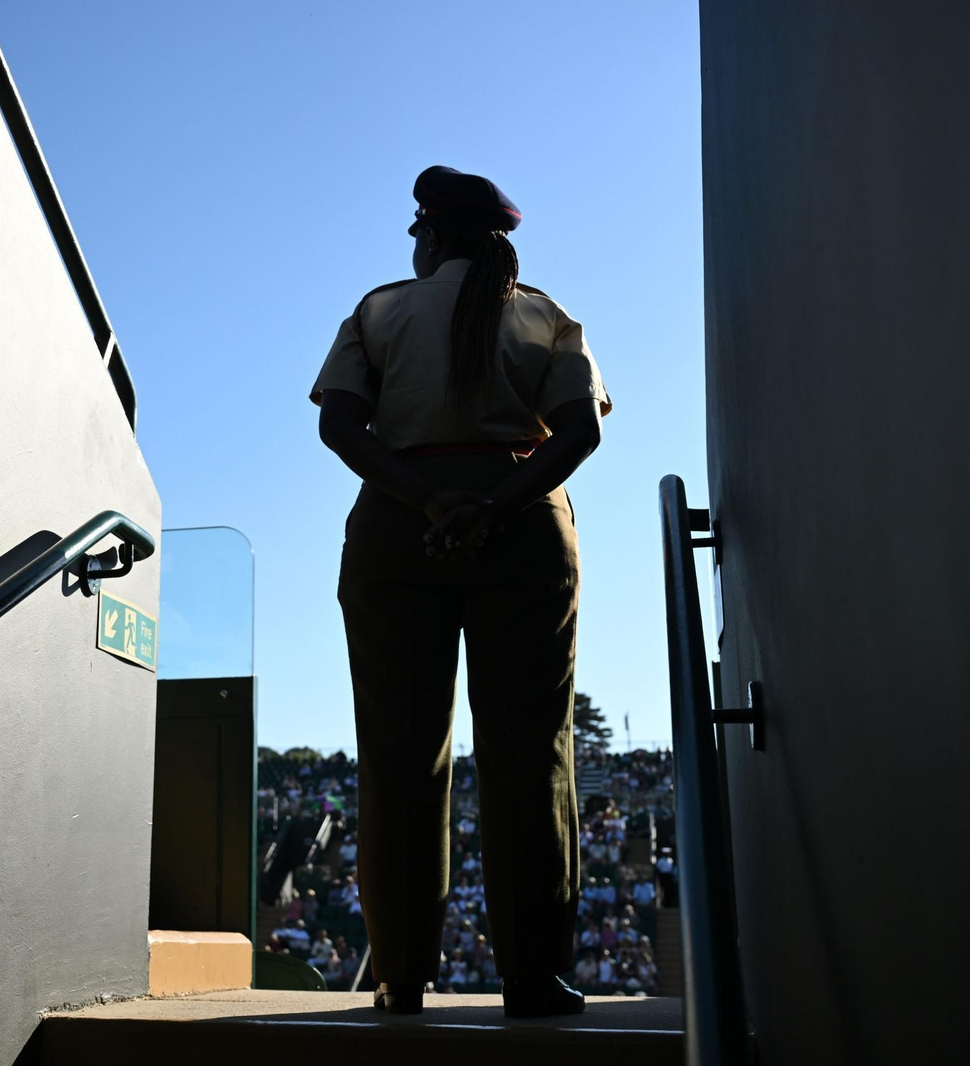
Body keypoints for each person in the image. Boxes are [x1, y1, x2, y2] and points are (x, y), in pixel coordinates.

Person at [314, 165, 611, 1018]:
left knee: (400, 754)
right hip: (524, 530)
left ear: (434, 235)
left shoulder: (379, 313)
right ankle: (533, 976)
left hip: (399, 530)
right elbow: (580, 431)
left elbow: (339, 424)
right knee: (532, 753)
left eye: (418, 231)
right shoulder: (545, 317)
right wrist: (495, 505)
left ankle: (400, 975)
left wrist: (431, 501)